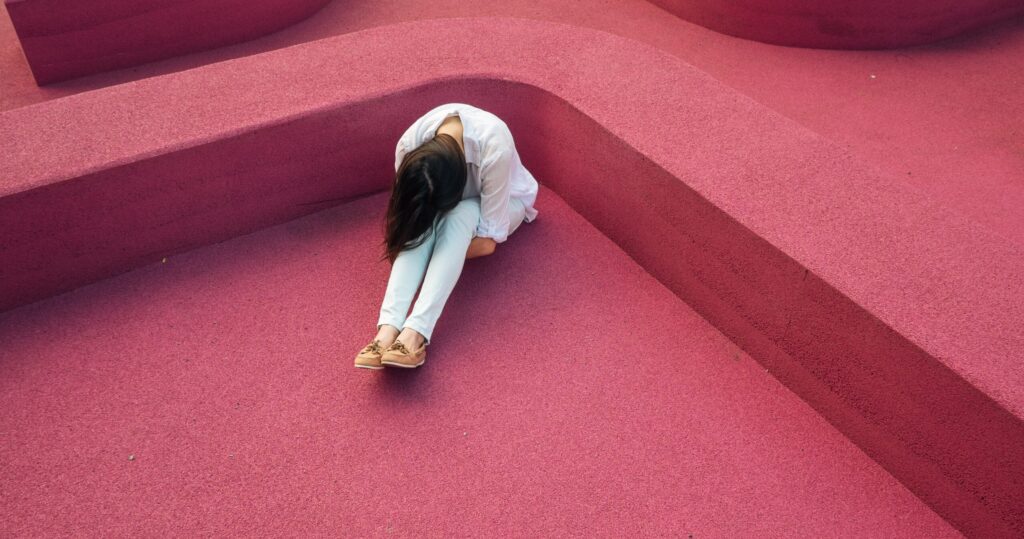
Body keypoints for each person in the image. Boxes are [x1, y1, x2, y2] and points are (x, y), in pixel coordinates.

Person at [354, 103, 540, 369]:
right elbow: (410, 216)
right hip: (454, 203)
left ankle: (415, 332)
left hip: (508, 202)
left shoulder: (494, 146)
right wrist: (422, 236)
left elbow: (487, 243)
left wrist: (435, 250)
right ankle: (386, 330)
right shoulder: (410, 146)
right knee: (419, 226)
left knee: (458, 215)